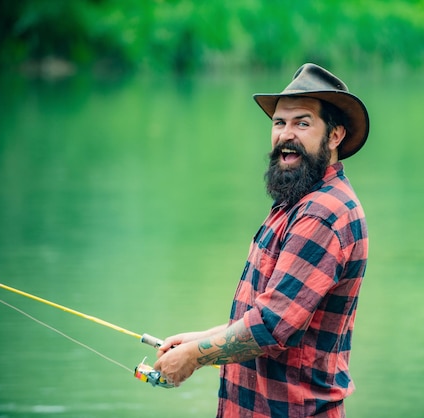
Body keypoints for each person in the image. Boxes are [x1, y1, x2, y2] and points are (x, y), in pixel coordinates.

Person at [154, 63, 370, 417]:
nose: (286, 134)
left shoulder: (323, 213)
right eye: (279, 123)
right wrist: (198, 339)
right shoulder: (296, 201)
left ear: (334, 136)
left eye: (302, 123)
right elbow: (275, 312)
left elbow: (271, 327)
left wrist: (193, 358)